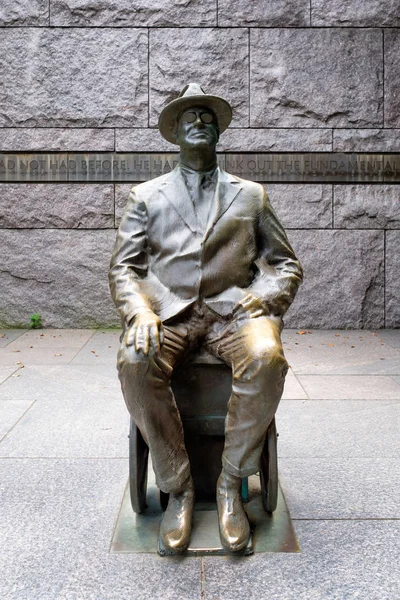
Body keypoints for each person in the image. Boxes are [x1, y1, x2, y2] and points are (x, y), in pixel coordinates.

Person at [109, 83, 303, 554]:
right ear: (174, 133)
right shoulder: (147, 195)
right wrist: (138, 311)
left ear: (219, 130)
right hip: (169, 314)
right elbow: (124, 267)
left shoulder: (251, 195)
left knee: (267, 355)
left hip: (233, 311)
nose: (199, 121)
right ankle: (178, 488)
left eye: (207, 116)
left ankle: (230, 483)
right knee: (134, 359)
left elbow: (286, 264)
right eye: (188, 117)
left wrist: (265, 296)